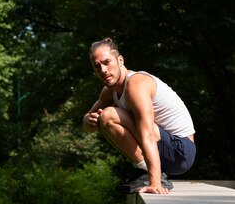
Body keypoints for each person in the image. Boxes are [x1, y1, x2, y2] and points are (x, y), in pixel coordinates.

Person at [82, 38, 196, 194]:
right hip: (164, 148)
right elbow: (89, 123)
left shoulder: (136, 84)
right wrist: (88, 121)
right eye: (97, 66)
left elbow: (147, 134)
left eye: (107, 62)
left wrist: (155, 183)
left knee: (108, 115)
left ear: (120, 60)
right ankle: (146, 172)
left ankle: (154, 176)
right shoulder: (109, 91)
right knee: (104, 119)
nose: (103, 70)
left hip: (181, 152)